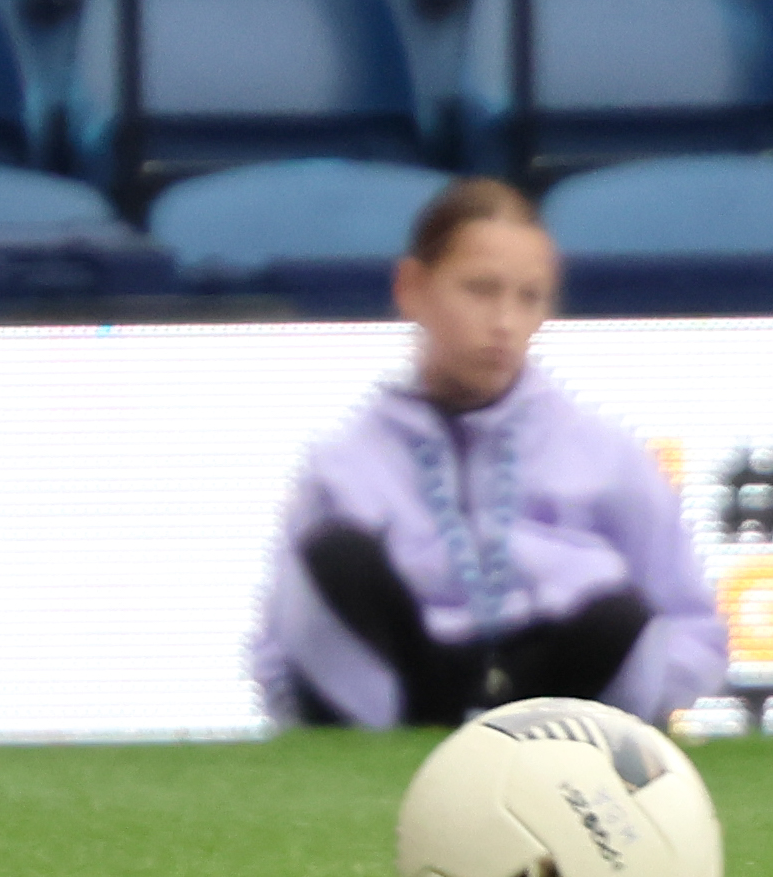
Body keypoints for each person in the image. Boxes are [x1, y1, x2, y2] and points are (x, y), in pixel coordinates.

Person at [254, 182, 730, 733]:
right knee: (336, 556)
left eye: (529, 297)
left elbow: (693, 628)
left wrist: (654, 693)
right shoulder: (345, 462)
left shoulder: (606, 454)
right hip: (401, 697)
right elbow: (282, 642)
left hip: (560, 704)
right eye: (480, 290)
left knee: (615, 618)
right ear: (412, 288)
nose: (505, 322)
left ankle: (575, 773)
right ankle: (375, 767)